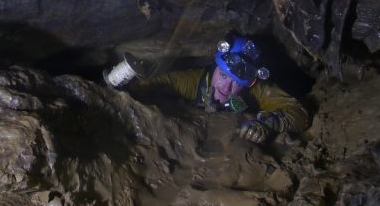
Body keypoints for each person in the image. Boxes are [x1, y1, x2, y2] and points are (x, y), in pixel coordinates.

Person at [106, 36, 307, 143]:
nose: (226, 86)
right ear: (215, 67)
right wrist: (123, 86)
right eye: (224, 75)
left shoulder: (258, 90)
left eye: (237, 82)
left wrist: (269, 123)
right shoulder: (193, 81)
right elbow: (158, 85)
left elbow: (299, 114)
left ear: (250, 83)